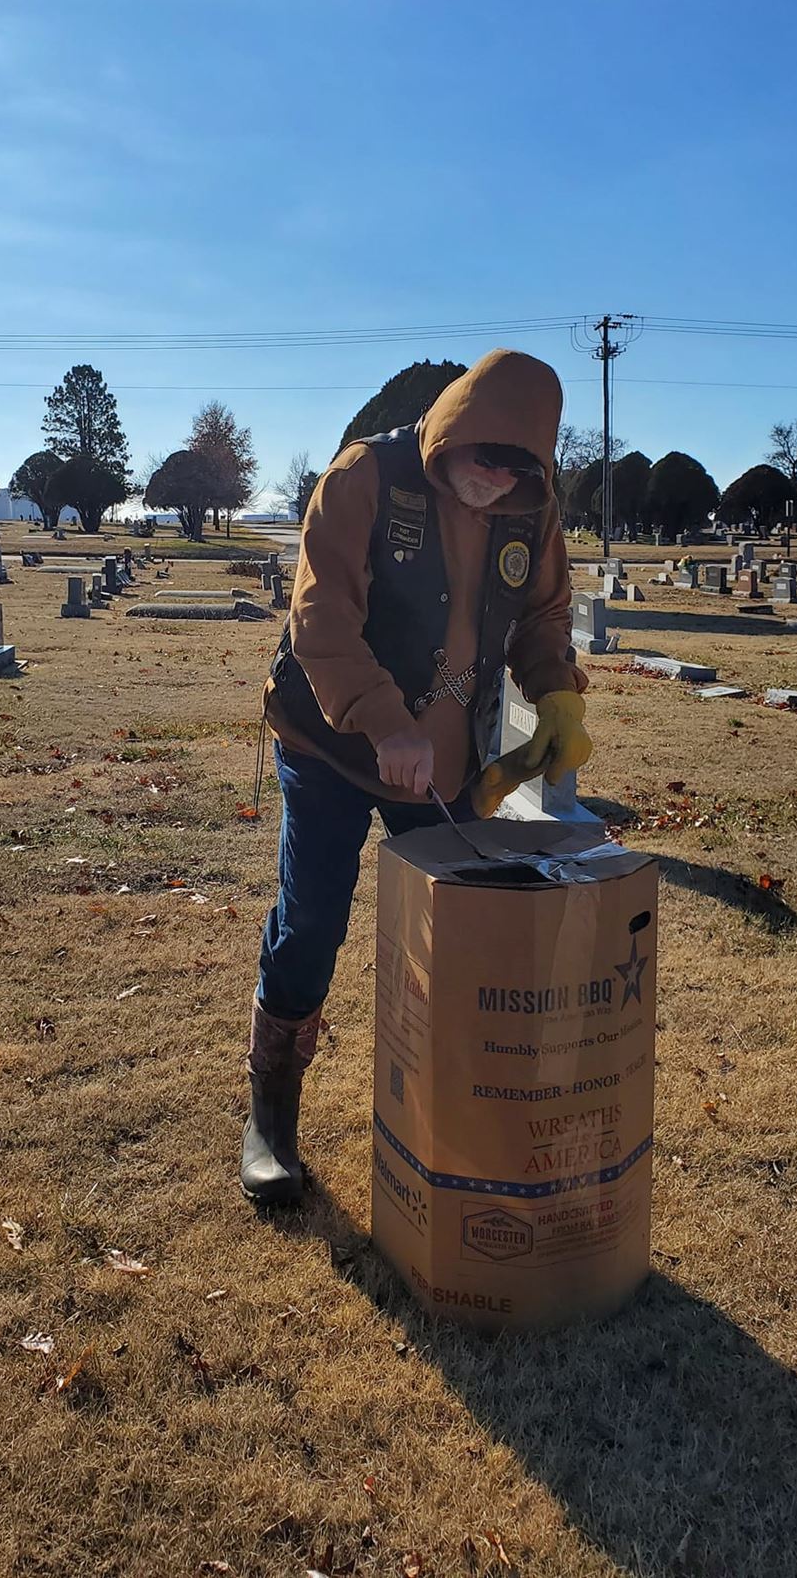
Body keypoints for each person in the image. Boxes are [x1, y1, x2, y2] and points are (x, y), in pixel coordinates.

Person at [242, 349, 593, 1205]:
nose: (494, 482)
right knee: (313, 922)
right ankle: (272, 1113)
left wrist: (557, 699)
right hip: (331, 742)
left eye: (518, 470)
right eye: (484, 459)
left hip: (440, 768)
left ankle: (463, 1111)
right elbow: (321, 618)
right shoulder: (367, 476)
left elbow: (542, 618)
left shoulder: (529, 513)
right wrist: (387, 722)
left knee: (463, 934)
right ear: (456, 427)